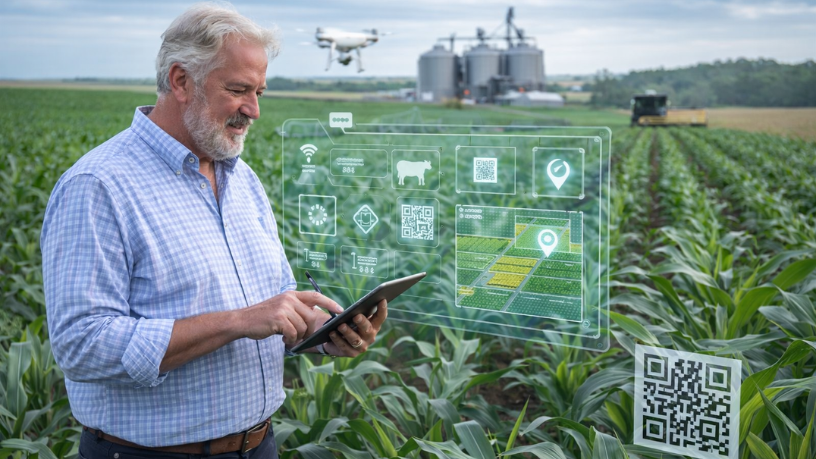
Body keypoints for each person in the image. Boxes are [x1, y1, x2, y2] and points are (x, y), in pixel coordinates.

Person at [40, 3, 387, 458]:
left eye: (260, 91)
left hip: (259, 445)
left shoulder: (241, 179)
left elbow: (274, 304)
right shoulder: (99, 186)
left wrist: (324, 331)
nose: (255, 110)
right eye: (239, 89)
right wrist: (236, 322)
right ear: (182, 81)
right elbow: (81, 345)